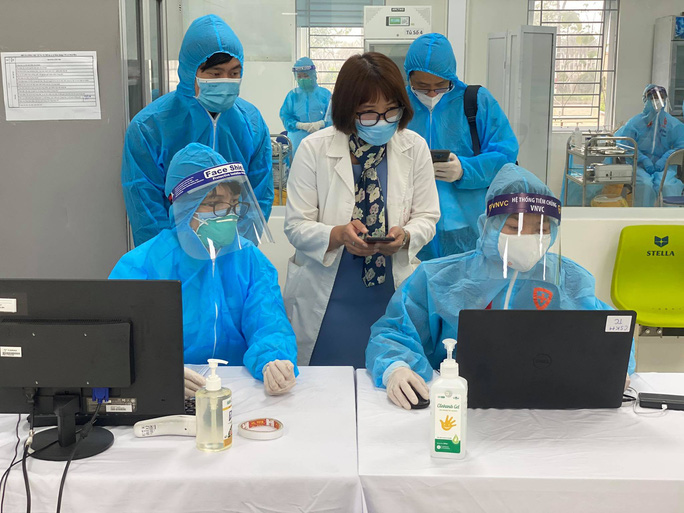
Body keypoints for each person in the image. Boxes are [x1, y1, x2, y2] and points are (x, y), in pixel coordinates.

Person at [366, 164, 636, 410]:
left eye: (541, 229)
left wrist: (614, 365)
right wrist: (396, 366)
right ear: (487, 226)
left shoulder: (569, 279)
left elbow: (611, 331)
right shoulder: (439, 277)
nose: (528, 238)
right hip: (458, 405)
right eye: (515, 226)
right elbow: (393, 331)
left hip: (549, 408)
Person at [284, 52, 440, 368]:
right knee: (324, 386)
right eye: (368, 113)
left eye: (391, 111)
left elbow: (427, 216)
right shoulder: (314, 149)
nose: (382, 122)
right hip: (329, 301)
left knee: (389, 381)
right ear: (347, 109)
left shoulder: (414, 147)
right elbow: (296, 225)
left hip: (390, 296)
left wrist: (406, 236)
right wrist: (337, 234)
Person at [111, 143, 297, 397]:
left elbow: (269, 322)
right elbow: (119, 340)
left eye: (233, 203)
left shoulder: (249, 259)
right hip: (166, 395)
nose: (228, 214)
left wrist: (273, 360)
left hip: (238, 389)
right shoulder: (140, 266)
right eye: (214, 203)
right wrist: (158, 371)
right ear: (185, 206)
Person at [121, 14, 274, 247]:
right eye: (215, 74)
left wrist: (237, 250)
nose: (226, 81)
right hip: (174, 253)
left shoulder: (251, 123)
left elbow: (259, 194)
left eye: (234, 73)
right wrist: (170, 255)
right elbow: (145, 205)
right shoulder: (149, 127)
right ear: (189, 71)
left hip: (231, 248)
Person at [404, 33, 518, 260]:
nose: (432, 93)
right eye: (422, 86)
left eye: (440, 85)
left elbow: (505, 155)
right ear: (408, 77)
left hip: (465, 222)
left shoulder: (476, 101)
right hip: (411, 224)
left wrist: (465, 169)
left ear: (452, 77)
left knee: (466, 277)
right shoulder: (398, 104)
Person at [565, 85, 684, 207]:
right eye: (653, 98)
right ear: (646, 100)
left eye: (660, 98)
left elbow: (681, 146)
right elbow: (625, 144)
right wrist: (643, 159)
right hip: (639, 165)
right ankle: (642, 215)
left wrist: (665, 159)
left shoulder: (673, 124)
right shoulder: (635, 123)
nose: (657, 101)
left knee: (667, 185)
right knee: (645, 184)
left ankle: (670, 216)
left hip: (664, 167)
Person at [279, 57, 332, 156]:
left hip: (321, 139)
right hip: (297, 141)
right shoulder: (292, 96)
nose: (302, 79)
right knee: (298, 163)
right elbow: (285, 116)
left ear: (313, 75)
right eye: (299, 76)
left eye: (305, 76)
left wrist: (321, 123)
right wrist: (300, 125)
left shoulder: (325, 94)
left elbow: (333, 115)